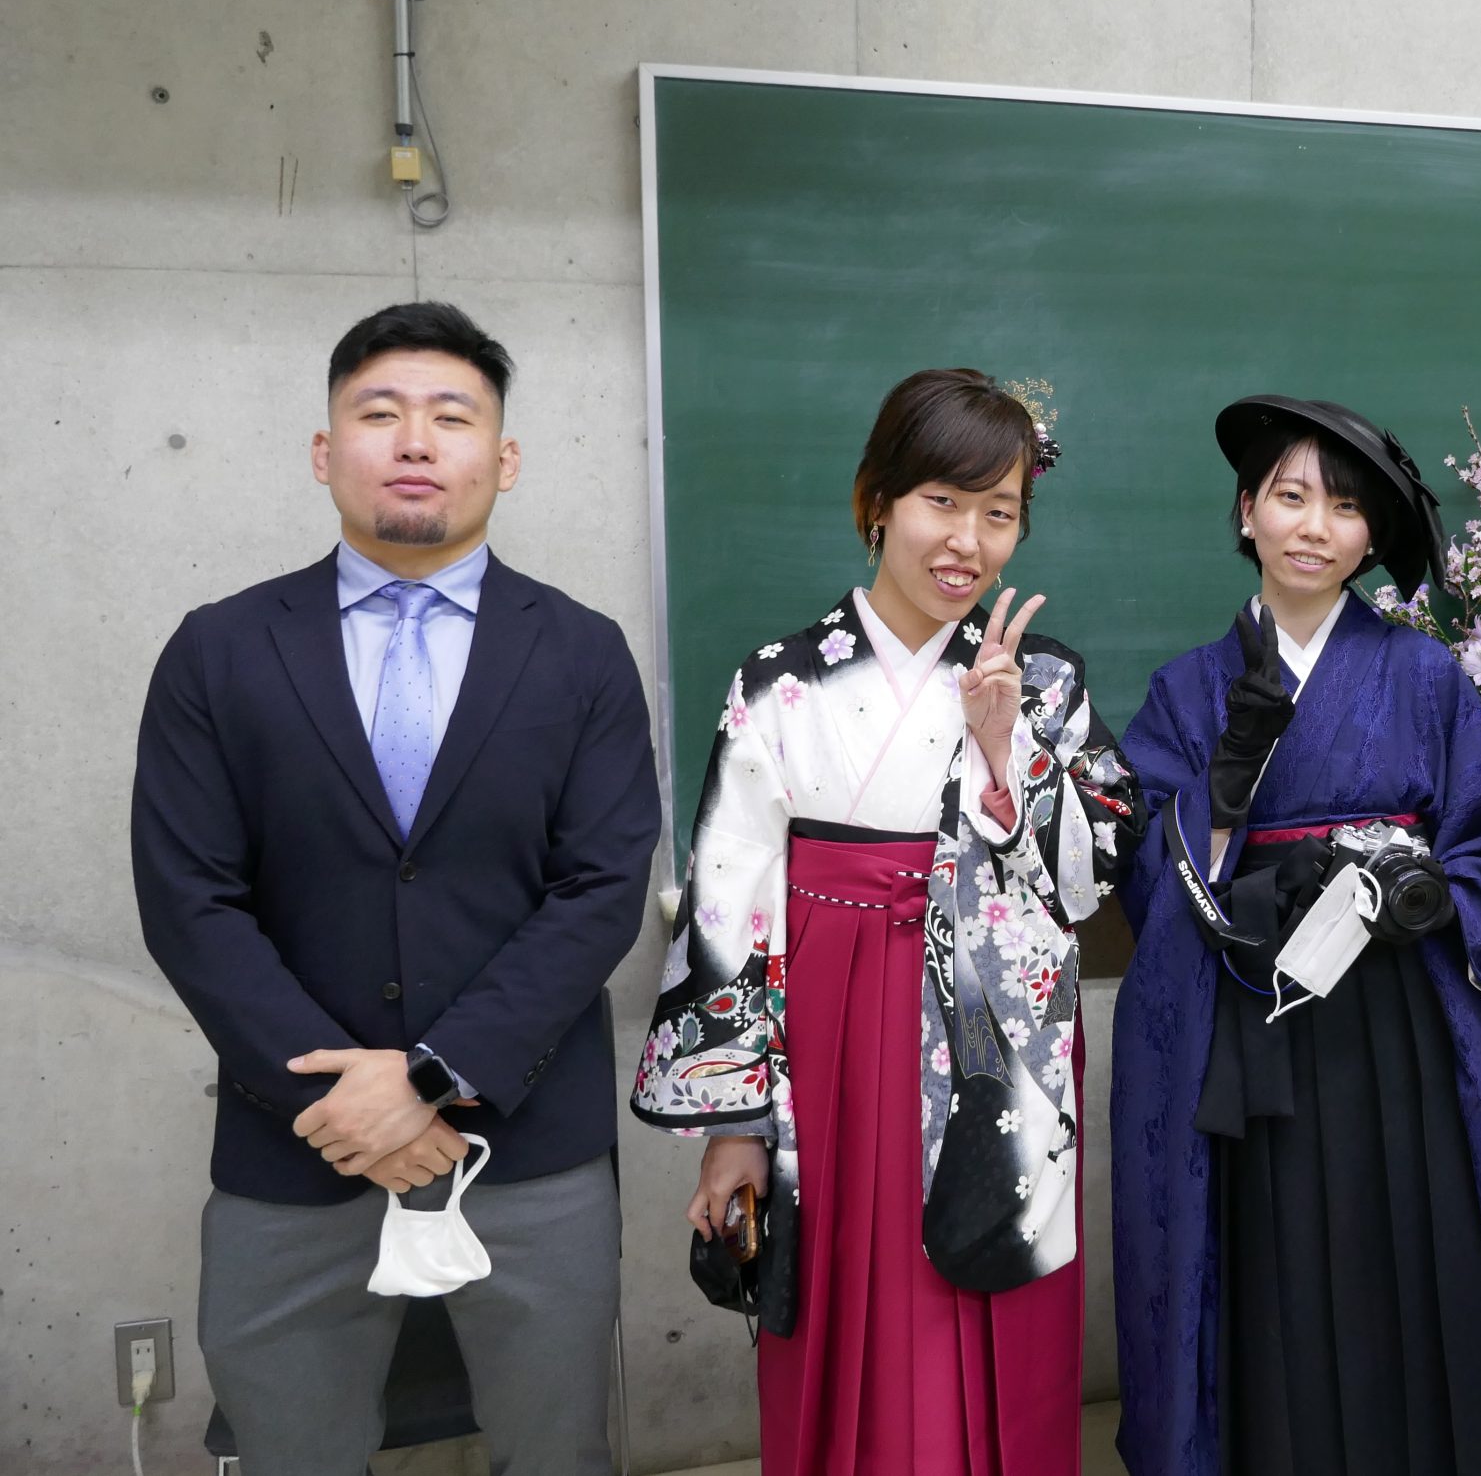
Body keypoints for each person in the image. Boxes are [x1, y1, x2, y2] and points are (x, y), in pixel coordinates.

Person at [132, 302, 661, 1472]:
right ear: (326, 452)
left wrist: (432, 1078)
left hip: (526, 1144)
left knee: (556, 1452)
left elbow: (600, 890)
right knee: (294, 1451)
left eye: (451, 417)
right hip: (295, 1143)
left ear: (504, 460)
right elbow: (189, 899)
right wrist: (345, 1101)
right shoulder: (220, 649)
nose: (415, 441)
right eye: (380, 414)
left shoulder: (582, 653)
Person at [631, 368, 1142, 1476]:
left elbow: (1092, 880)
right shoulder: (780, 682)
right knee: (842, 1303)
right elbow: (728, 897)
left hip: (989, 1046)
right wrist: (736, 1124)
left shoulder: (1042, 684)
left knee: (994, 1327)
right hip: (829, 1029)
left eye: (998, 512)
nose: (967, 540)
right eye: (940, 502)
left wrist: (1005, 751)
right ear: (878, 501)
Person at [1109, 396, 1481, 1476]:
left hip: (1399, 1011)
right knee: (1267, 1263)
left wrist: (1428, 888)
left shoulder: (1423, 674)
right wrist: (1220, 803)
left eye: (1346, 506)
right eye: (1290, 496)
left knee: (1408, 1244)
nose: (1315, 526)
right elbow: (1145, 870)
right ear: (1246, 511)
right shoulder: (1187, 688)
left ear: (1370, 538)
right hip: (1251, 1014)